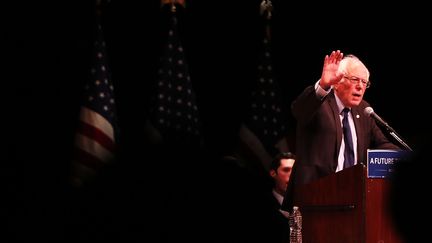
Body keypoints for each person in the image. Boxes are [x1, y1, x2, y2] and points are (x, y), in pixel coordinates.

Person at [282, 50, 400, 211]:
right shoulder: (320, 103)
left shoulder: (364, 110)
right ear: (337, 82)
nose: (360, 86)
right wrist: (323, 86)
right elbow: (299, 110)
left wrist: (402, 157)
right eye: (355, 80)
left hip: (350, 198)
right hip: (313, 197)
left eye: (365, 82)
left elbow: (384, 144)